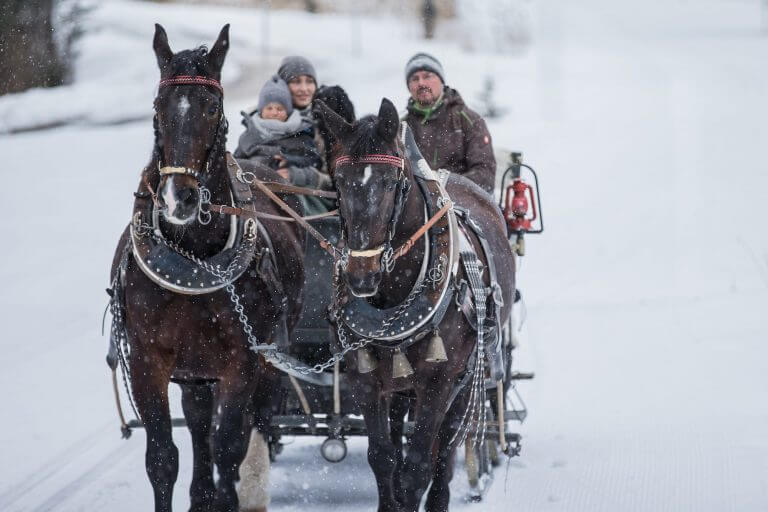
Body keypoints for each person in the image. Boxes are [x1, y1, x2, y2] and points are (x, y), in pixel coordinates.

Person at [403, 52, 496, 194]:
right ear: (409, 87)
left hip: (461, 206)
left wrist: (441, 187)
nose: (421, 83)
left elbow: (485, 175)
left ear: (441, 81)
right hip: (413, 207)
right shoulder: (400, 127)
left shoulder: (469, 120)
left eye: (427, 76)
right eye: (415, 79)